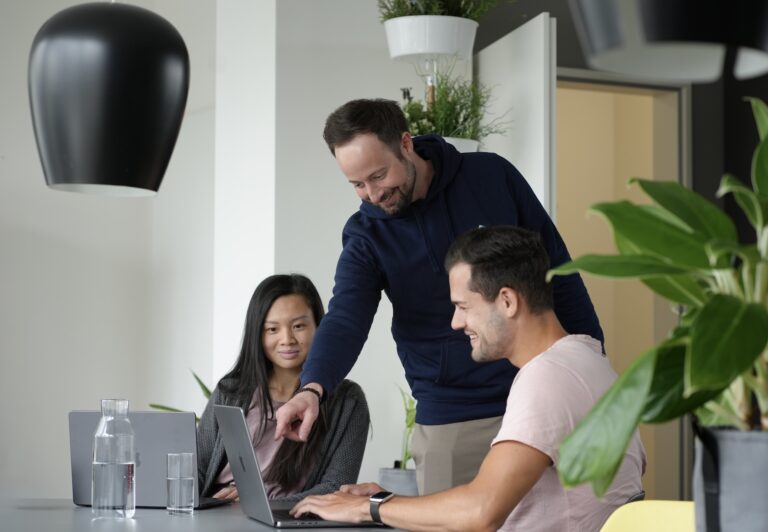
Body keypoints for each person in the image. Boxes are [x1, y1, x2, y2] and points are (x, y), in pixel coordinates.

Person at [275, 98, 603, 494]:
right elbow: (346, 316)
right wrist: (313, 388)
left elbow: (557, 271)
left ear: (406, 143)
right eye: (357, 184)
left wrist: (591, 360)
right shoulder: (366, 236)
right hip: (454, 412)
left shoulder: (492, 177)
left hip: (540, 389)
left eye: (378, 175)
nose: (372, 194)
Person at [290, 225, 645, 531]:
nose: (456, 323)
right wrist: (385, 498)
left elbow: (481, 512)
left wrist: (365, 509)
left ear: (507, 301)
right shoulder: (588, 357)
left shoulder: (546, 379)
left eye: (463, 307)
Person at [196, 274, 370, 503]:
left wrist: (260, 503)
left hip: (288, 520)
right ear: (257, 334)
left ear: (320, 326)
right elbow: (198, 470)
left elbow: (336, 489)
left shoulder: (348, 401)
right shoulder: (230, 391)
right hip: (218, 516)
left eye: (298, 326)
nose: (287, 339)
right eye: (272, 329)